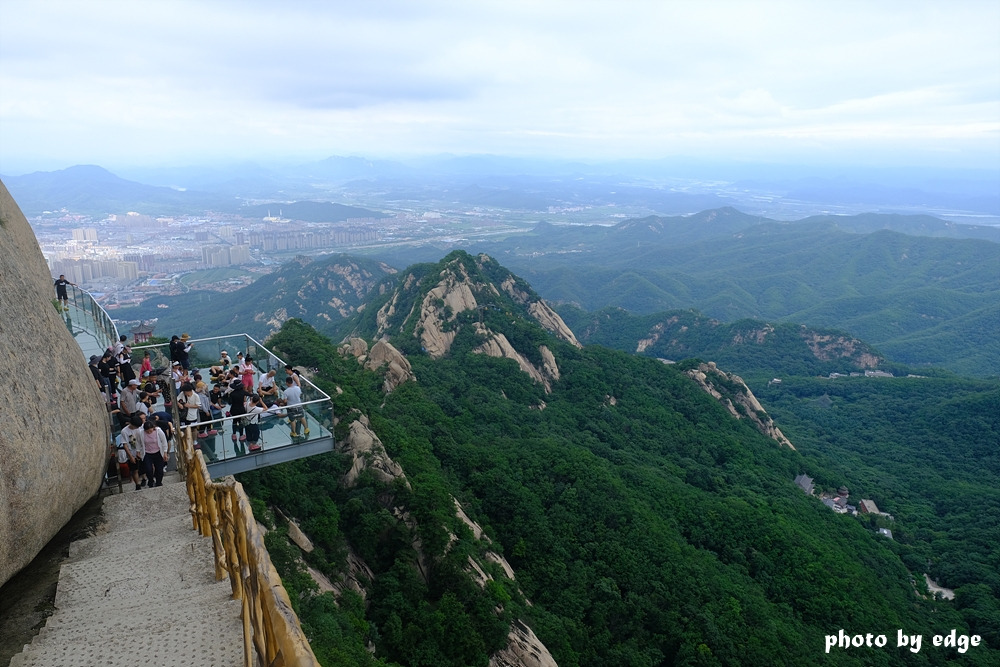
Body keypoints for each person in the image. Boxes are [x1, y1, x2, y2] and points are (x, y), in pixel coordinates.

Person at [141, 419, 169, 487]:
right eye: (147, 431)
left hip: (158, 452)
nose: (149, 432)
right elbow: (139, 442)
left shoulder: (158, 431)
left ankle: (159, 482)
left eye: (150, 431)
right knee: (148, 469)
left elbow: (164, 442)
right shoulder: (141, 433)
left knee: (159, 469)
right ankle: (150, 480)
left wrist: (165, 452)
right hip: (147, 453)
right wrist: (139, 451)